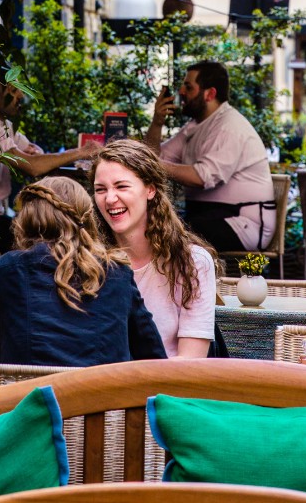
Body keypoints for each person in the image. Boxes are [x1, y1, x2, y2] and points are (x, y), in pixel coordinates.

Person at [0, 176, 166, 388]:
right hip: (104, 416)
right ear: (87, 219)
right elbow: (154, 360)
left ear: (28, 218)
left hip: (30, 415)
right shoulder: (117, 273)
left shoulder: (7, 271)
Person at [91, 140, 218, 358]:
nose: (110, 199)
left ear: (150, 189)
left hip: (168, 388)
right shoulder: (89, 260)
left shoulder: (192, 262)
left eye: (121, 186)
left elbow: (191, 363)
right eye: (100, 190)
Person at [144, 61, 276, 252]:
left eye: (188, 87)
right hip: (208, 217)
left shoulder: (229, 126)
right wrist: (157, 122)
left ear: (210, 94)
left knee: (171, 232)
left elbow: (201, 177)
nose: (181, 91)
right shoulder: (197, 125)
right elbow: (155, 155)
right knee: (155, 224)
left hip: (242, 223)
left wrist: (151, 165)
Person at [0, 77, 102, 253]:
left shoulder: (4, 125)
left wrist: (34, 154)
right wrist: (81, 152)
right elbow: (33, 166)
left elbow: (35, 155)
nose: (20, 104)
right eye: (16, 98)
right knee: (40, 239)